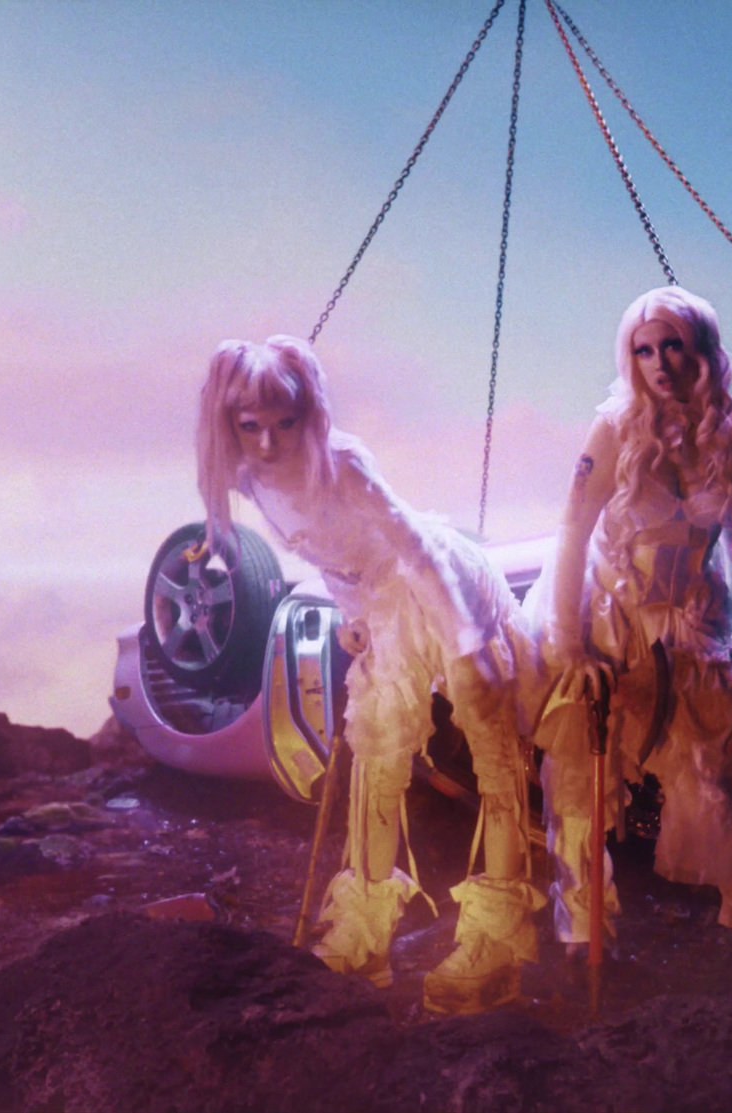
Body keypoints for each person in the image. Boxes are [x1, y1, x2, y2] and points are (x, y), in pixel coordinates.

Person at [196, 335, 542, 1013]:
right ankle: (365, 936)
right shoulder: (248, 478)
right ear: (228, 425)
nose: (268, 442)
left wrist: (467, 643)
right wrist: (350, 609)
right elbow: (328, 555)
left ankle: (495, 940)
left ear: (308, 414)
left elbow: (413, 547)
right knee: (378, 758)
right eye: (250, 426)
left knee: (494, 750)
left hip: (440, 587)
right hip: (381, 604)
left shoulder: (343, 462)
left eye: (284, 423)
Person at [528, 286, 732, 976]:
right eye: (642, 349)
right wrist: (572, 644)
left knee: (721, 771)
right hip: (608, 612)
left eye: (672, 345)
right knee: (578, 770)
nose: (657, 362)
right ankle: (581, 936)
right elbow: (571, 532)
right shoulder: (614, 429)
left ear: (703, 350)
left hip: (697, 618)